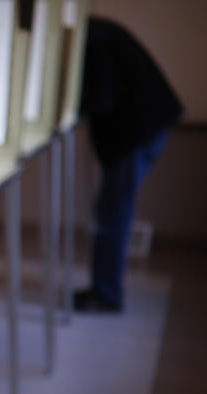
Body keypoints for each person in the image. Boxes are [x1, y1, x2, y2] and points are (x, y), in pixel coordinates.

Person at [75, 17, 183, 312]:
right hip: (142, 128)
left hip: (136, 132)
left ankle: (107, 293)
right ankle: (105, 289)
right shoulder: (94, 32)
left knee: (112, 214)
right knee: (112, 211)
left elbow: (102, 97)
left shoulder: (93, 39)